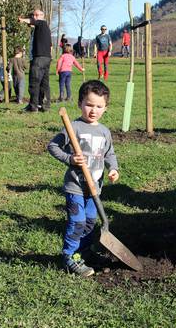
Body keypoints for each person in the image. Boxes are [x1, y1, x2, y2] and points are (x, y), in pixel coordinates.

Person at [47, 80, 119, 277]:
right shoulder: (74, 127)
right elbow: (53, 147)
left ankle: (84, 252)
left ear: (106, 108)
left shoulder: (104, 131)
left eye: (99, 106)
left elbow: (109, 154)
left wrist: (113, 168)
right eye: (89, 105)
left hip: (95, 187)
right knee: (77, 222)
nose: (93, 110)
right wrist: (70, 158)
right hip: (76, 186)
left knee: (89, 222)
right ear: (80, 104)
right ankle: (70, 256)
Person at [20, 10, 52, 112]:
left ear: (42, 16)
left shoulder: (42, 23)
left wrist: (22, 20)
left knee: (34, 82)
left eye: (37, 15)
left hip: (39, 58)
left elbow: (33, 21)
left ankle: (33, 106)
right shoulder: (43, 29)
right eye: (33, 15)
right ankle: (44, 105)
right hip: (46, 58)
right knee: (44, 83)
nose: (35, 17)